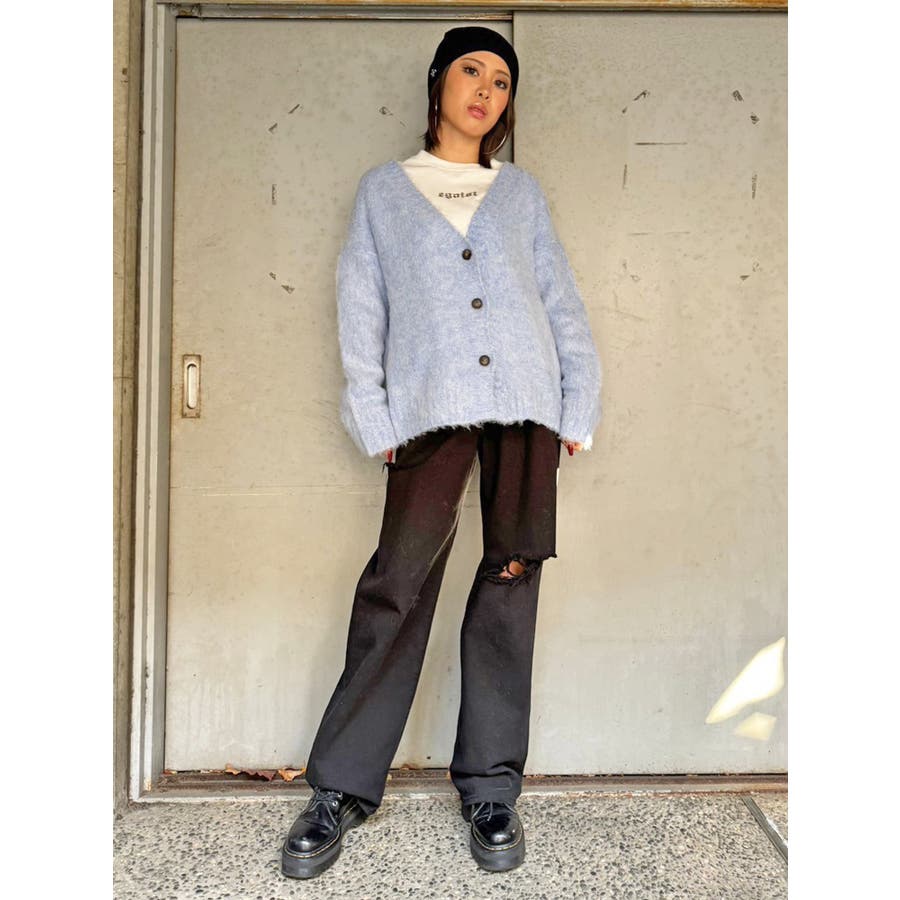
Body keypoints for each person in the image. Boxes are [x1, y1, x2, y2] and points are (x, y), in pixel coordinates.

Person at [281, 25, 602, 880]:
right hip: (429, 407)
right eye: (472, 70)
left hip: (527, 406)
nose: (486, 90)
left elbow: (560, 299)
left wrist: (578, 399)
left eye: (502, 81)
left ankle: (491, 787)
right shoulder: (385, 192)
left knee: (511, 579)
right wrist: (373, 411)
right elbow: (361, 303)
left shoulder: (521, 195)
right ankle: (341, 787)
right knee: (398, 583)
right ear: (438, 81)